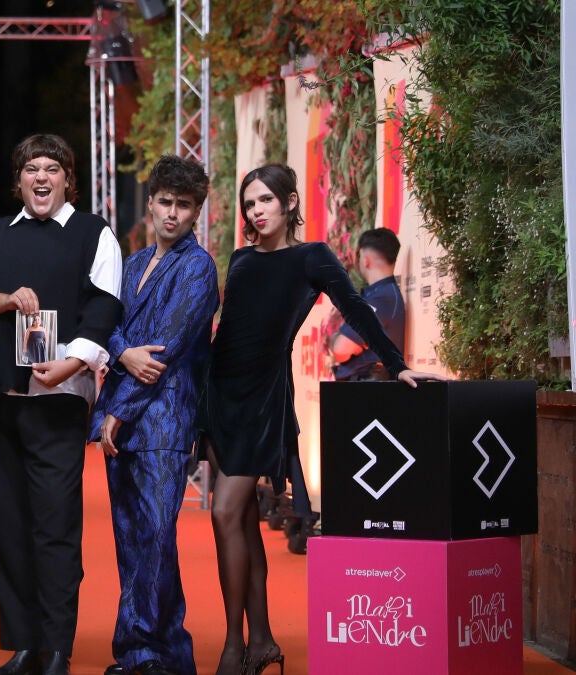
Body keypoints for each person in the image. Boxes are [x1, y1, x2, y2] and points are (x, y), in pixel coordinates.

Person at [197, 164, 445, 675]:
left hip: (262, 401)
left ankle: (232, 647)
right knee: (240, 519)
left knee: (223, 513)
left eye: (265, 200)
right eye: (249, 203)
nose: (256, 210)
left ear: (290, 202)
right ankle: (261, 640)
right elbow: (229, 331)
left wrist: (396, 365)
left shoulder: (312, 257)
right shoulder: (241, 259)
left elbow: (357, 309)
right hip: (220, 395)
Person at [0, 133, 123, 675]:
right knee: (4, 524)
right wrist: (4, 300)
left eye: (51, 168)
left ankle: (56, 648)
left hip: (58, 400)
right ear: (19, 180)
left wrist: (73, 363)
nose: (41, 177)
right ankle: (23, 644)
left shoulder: (93, 233)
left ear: (68, 179)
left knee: (55, 524)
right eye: (31, 169)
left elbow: (106, 305)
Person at [91, 155, 218, 675]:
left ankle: (142, 650)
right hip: (122, 418)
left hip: (163, 419)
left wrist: (119, 410)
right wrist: (122, 352)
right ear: (150, 204)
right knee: (132, 539)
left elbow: (165, 350)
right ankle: (163, 653)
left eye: (183, 205)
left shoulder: (198, 267)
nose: (172, 213)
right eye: (165, 202)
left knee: (156, 539)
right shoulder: (134, 263)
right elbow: (108, 325)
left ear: (196, 212)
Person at [330, 228, 405, 382]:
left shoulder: (381, 298)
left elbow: (340, 349)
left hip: (368, 386)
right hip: (365, 385)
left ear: (365, 259)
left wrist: (345, 340)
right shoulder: (381, 295)